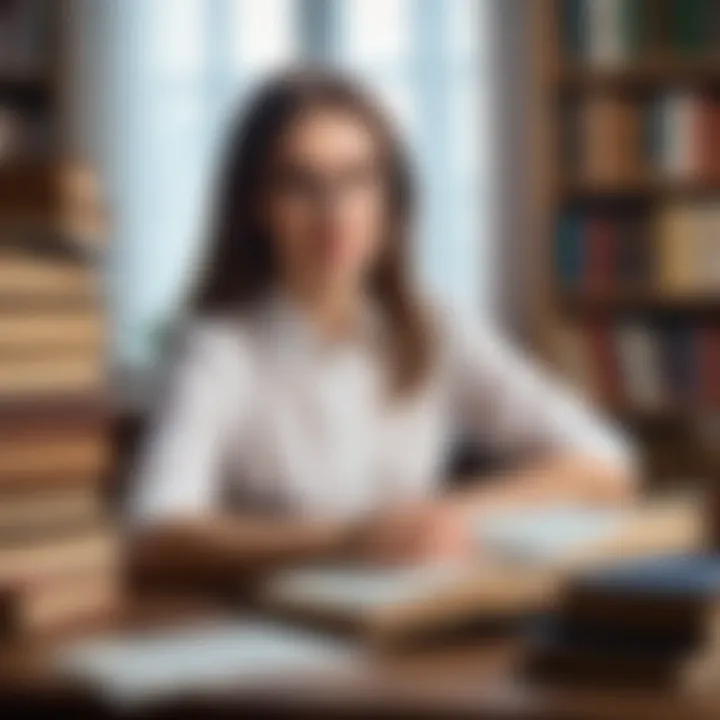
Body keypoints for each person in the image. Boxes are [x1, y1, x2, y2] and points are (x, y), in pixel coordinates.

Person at [130, 70, 635, 575]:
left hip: (409, 617)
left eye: (357, 179)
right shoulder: (218, 348)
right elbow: (156, 532)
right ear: (256, 205)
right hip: (273, 630)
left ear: (390, 199)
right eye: (299, 184)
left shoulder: (433, 326)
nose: (334, 212)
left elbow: (604, 464)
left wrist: (449, 517)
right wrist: (346, 540)